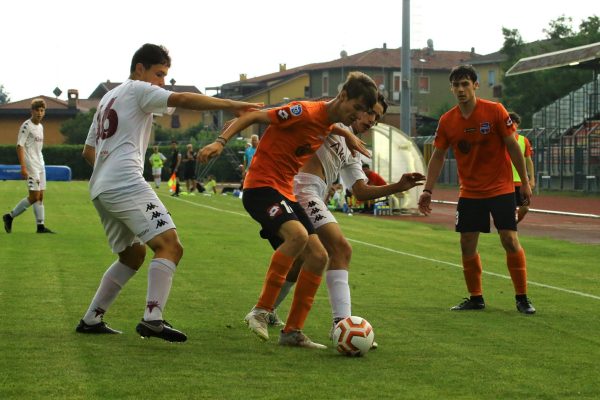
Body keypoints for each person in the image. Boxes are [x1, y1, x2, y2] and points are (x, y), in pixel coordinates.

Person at [76, 43, 262, 342]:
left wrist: (109, 170)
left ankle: (92, 318)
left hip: (100, 187)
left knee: (132, 255)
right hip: (124, 182)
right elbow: (184, 98)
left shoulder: (108, 98)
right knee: (170, 246)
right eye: (159, 74)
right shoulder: (138, 89)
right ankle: (153, 317)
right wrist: (231, 105)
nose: (162, 82)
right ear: (140, 69)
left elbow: (88, 152)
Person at [199, 71, 377, 349]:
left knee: (318, 256)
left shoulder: (329, 122)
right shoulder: (303, 111)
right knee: (298, 237)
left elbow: (327, 126)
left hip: (284, 191)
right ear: (342, 96)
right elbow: (252, 117)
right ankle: (260, 311)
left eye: (363, 112)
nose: (358, 117)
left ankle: (292, 332)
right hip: (261, 187)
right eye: (355, 109)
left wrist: (348, 135)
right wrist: (220, 142)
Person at [268, 94, 425, 345]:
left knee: (301, 263)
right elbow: (309, 115)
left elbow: (360, 192)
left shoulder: (353, 150)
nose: (373, 120)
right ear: (357, 106)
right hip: (301, 189)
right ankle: (342, 324)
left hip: (311, 192)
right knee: (341, 248)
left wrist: (398, 186)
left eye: (378, 117)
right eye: (370, 112)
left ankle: (265, 311)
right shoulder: (333, 123)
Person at [418, 64, 535, 314]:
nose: (460, 89)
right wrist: (428, 190)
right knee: (467, 243)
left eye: (465, 84)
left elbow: (514, 147)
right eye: (456, 85)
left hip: (501, 188)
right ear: (451, 88)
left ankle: (522, 298)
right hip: (470, 192)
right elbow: (437, 156)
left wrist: (524, 182)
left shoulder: (494, 111)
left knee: (509, 238)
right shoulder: (448, 121)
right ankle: (476, 297)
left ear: (475, 86)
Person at [3, 98, 55, 234]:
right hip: (31, 165)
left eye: (42, 110)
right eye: (37, 110)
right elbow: (19, 145)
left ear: (44, 112)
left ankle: (40, 226)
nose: (39, 113)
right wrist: (23, 167)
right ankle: (10, 216)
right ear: (32, 111)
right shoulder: (26, 125)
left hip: (40, 164)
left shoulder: (40, 126)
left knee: (41, 196)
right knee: (34, 196)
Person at [508, 112, 536, 223]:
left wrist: (532, 179)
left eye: (514, 122)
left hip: (521, 182)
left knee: (525, 208)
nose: (512, 124)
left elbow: (529, 161)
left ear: (517, 124)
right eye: (510, 122)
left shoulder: (524, 140)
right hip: (507, 182)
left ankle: (512, 223)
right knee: (510, 208)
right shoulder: (502, 140)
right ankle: (509, 227)